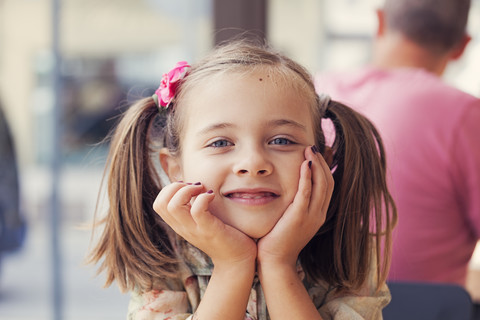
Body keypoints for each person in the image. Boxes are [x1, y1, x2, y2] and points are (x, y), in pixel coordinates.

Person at [88, 40, 397, 319]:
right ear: (175, 169)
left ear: (322, 161)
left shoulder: (349, 253)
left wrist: (278, 264)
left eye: (281, 141)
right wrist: (232, 265)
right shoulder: (162, 259)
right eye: (221, 143)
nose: (253, 164)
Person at [315, 0, 480, 288]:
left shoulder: (314, 93)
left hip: (308, 304)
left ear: (379, 22)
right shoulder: (466, 116)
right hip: (423, 310)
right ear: (463, 45)